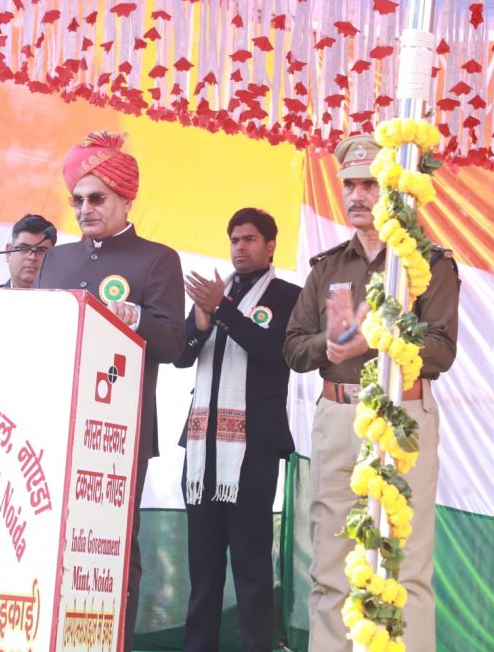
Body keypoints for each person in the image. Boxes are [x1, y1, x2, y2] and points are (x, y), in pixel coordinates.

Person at [283, 134, 460, 651]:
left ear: (396, 191)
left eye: (370, 185)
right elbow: (293, 348)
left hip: (404, 414)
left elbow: (442, 350)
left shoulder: (429, 263)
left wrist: (383, 341)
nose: (357, 196)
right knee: (331, 563)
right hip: (339, 415)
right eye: (349, 186)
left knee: (407, 566)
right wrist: (332, 346)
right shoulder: (328, 268)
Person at [34, 130, 185, 647]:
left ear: (125, 199)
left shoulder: (156, 259)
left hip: (118, 430)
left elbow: (174, 344)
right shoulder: (56, 260)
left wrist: (135, 317)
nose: (85, 209)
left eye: (96, 198)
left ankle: (112, 639)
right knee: (50, 536)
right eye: (77, 200)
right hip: (54, 424)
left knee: (112, 543)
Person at [173, 208, 300, 652]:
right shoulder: (215, 294)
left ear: (270, 246)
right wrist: (201, 320)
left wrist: (222, 310)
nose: (239, 247)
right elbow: (181, 356)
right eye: (234, 240)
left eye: (249, 239)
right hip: (202, 447)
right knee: (203, 569)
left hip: (254, 448)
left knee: (250, 566)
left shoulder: (288, 296)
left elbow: (274, 352)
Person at [0, 214, 57, 289]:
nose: (32, 257)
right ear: (9, 252)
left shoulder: (64, 296)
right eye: (24, 248)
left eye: (42, 251)